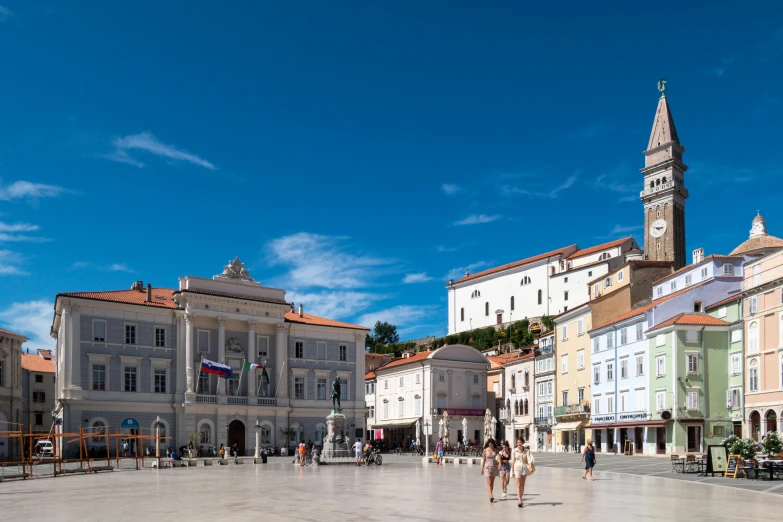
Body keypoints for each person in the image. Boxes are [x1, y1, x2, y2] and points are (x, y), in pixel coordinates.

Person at [511, 438, 535, 508]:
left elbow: (530, 459)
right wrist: (512, 471)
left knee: (522, 485)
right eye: (518, 442)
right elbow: (512, 461)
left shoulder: (527, 451)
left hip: (524, 468)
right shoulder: (514, 451)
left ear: (523, 443)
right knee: (518, 484)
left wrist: (530, 466)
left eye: (520, 442)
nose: (519, 443)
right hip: (516, 468)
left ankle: (520, 498)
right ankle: (519, 500)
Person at [480, 438, 501, 503]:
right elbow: (484, 459)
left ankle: (490, 494)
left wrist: (500, 464)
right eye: (489, 443)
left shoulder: (496, 450)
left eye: (491, 444)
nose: (490, 445)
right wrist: (482, 468)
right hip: (487, 467)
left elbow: (499, 457)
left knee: (492, 482)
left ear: (493, 444)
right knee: (489, 482)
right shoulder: (485, 450)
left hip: (494, 467)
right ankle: (491, 495)